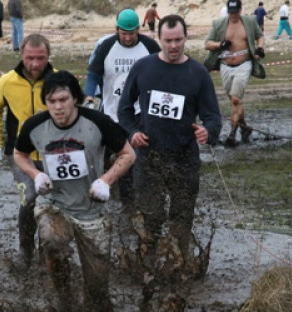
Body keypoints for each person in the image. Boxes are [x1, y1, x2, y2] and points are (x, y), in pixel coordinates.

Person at [14, 70, 135, 312]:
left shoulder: (98, 122)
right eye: (51, 101)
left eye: (63, 100)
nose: (58, 107)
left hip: (92, 210)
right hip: (54, 204)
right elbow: (19, 154)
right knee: (52, 240)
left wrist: (106, 180)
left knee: (97, 288)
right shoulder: (35, 126)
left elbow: (128, 154)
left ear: (75, 99)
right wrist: (36, 174)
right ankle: (64, 301)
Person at [117, 15, 221, 277]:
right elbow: (124, 110)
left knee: (181, 218)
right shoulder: (143, 68)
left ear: (186, 38)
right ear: (158, 39)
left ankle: (176, 271)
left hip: (184, 158)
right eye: (168, 41)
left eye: (178, 40)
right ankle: (146, 270)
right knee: (149, 217)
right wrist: (133, 133)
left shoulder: (198, 73)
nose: (173, 46)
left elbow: (213, 117)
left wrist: (207, 131)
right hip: (149, 157)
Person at [0, 34, 55, 272]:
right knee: (30, 199)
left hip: (54, 154)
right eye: (30, 58)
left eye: (40, 58)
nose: (35, 64)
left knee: (55, 203)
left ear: (48, 57)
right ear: (21, 56)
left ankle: (51, 251)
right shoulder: (7, 81)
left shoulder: (58, 79)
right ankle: (26, 251)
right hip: (21, 155)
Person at [84, 8, 160, 209]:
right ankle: (100, 191)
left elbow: (163, 72)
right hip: (111, 111)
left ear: (138, 29)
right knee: (107, 155)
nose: (127, 37)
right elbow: (93, 74)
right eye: (123, 33)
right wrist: (89, 95)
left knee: (134, 157)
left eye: (131, 33)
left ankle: (131, 203)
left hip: (138, 113)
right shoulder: (106, 46)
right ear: (117, 29)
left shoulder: (150, 46)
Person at [204, 0, 265, 146]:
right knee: (234, 101)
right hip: (225, 66)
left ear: (240, 9)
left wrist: (260, 48)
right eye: (231, 12)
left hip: (244, 65)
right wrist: (220, 44)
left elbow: (260, 36)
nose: (233, 15)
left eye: (235, 11)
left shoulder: (249, 22)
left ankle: (232, 133)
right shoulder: (219, 24)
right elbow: (207, 43)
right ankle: (245, 128)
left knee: (236, 99)